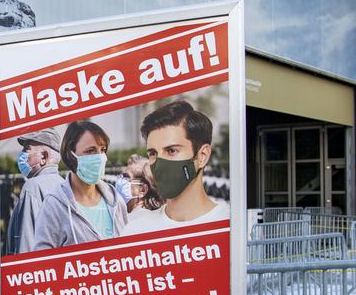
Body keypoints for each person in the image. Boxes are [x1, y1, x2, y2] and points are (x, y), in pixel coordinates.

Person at [123, 101, 230, 236]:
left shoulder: (232, 226)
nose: (160, 163)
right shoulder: (135, 231)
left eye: (172, 150)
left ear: (202, 156)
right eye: (153, 153)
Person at [31, 121, 128, 250]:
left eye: (102, 150)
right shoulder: (54, 206)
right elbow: (43, 263)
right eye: (90, 151)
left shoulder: (116, 201)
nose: (99, 157)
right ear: (71, 155)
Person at [5, 127, 64, 254]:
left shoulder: (33, 187)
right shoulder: (64, 185)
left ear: (44, 156)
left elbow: (27, 244)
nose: (21, 155)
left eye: (27, 149)